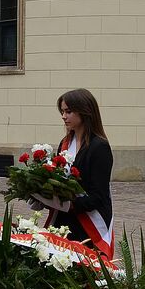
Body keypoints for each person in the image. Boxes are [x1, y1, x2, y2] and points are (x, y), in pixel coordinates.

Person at [40, 88, 114, 259]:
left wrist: (68, 204)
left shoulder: (99, 147)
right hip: (63, 221)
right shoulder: (65, 143)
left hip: (86, 225)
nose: (64, 116)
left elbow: (98, 195)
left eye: (69, 111)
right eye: (62, 111)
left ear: (85, 111)